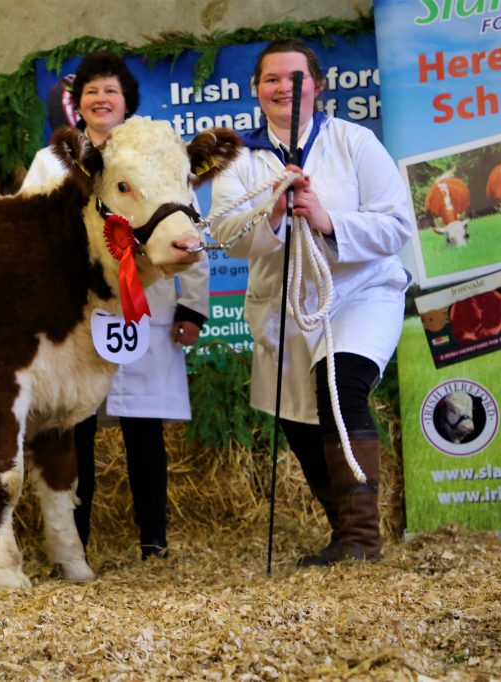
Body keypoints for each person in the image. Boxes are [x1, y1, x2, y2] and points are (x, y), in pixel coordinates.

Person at [209, 39, 414, 565]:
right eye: (271, 79)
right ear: (256, 90)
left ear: (317, 87)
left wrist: (327, 220)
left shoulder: (355, 142)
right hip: (283, 306)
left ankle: (363, 543)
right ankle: (342, 533)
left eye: (294, 78)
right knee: (299, 422)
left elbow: (396, 226)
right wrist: (272, 212)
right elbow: (229, 234)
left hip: (360, 292)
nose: (282, 88)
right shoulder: (239, 158)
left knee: (339, 386)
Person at [20, 52, 209, 559]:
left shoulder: (159, 158)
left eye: (111, 91)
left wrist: (193, 307)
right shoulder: (51, 162)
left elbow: (188, 228)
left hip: (144, 306)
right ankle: (75, 542)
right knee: (72, 425)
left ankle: (154, 541)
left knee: (142, 426)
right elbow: (26, 235)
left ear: (128, 102)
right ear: (75, 102)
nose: (101, 100)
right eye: (91, 92)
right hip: (74, 316)